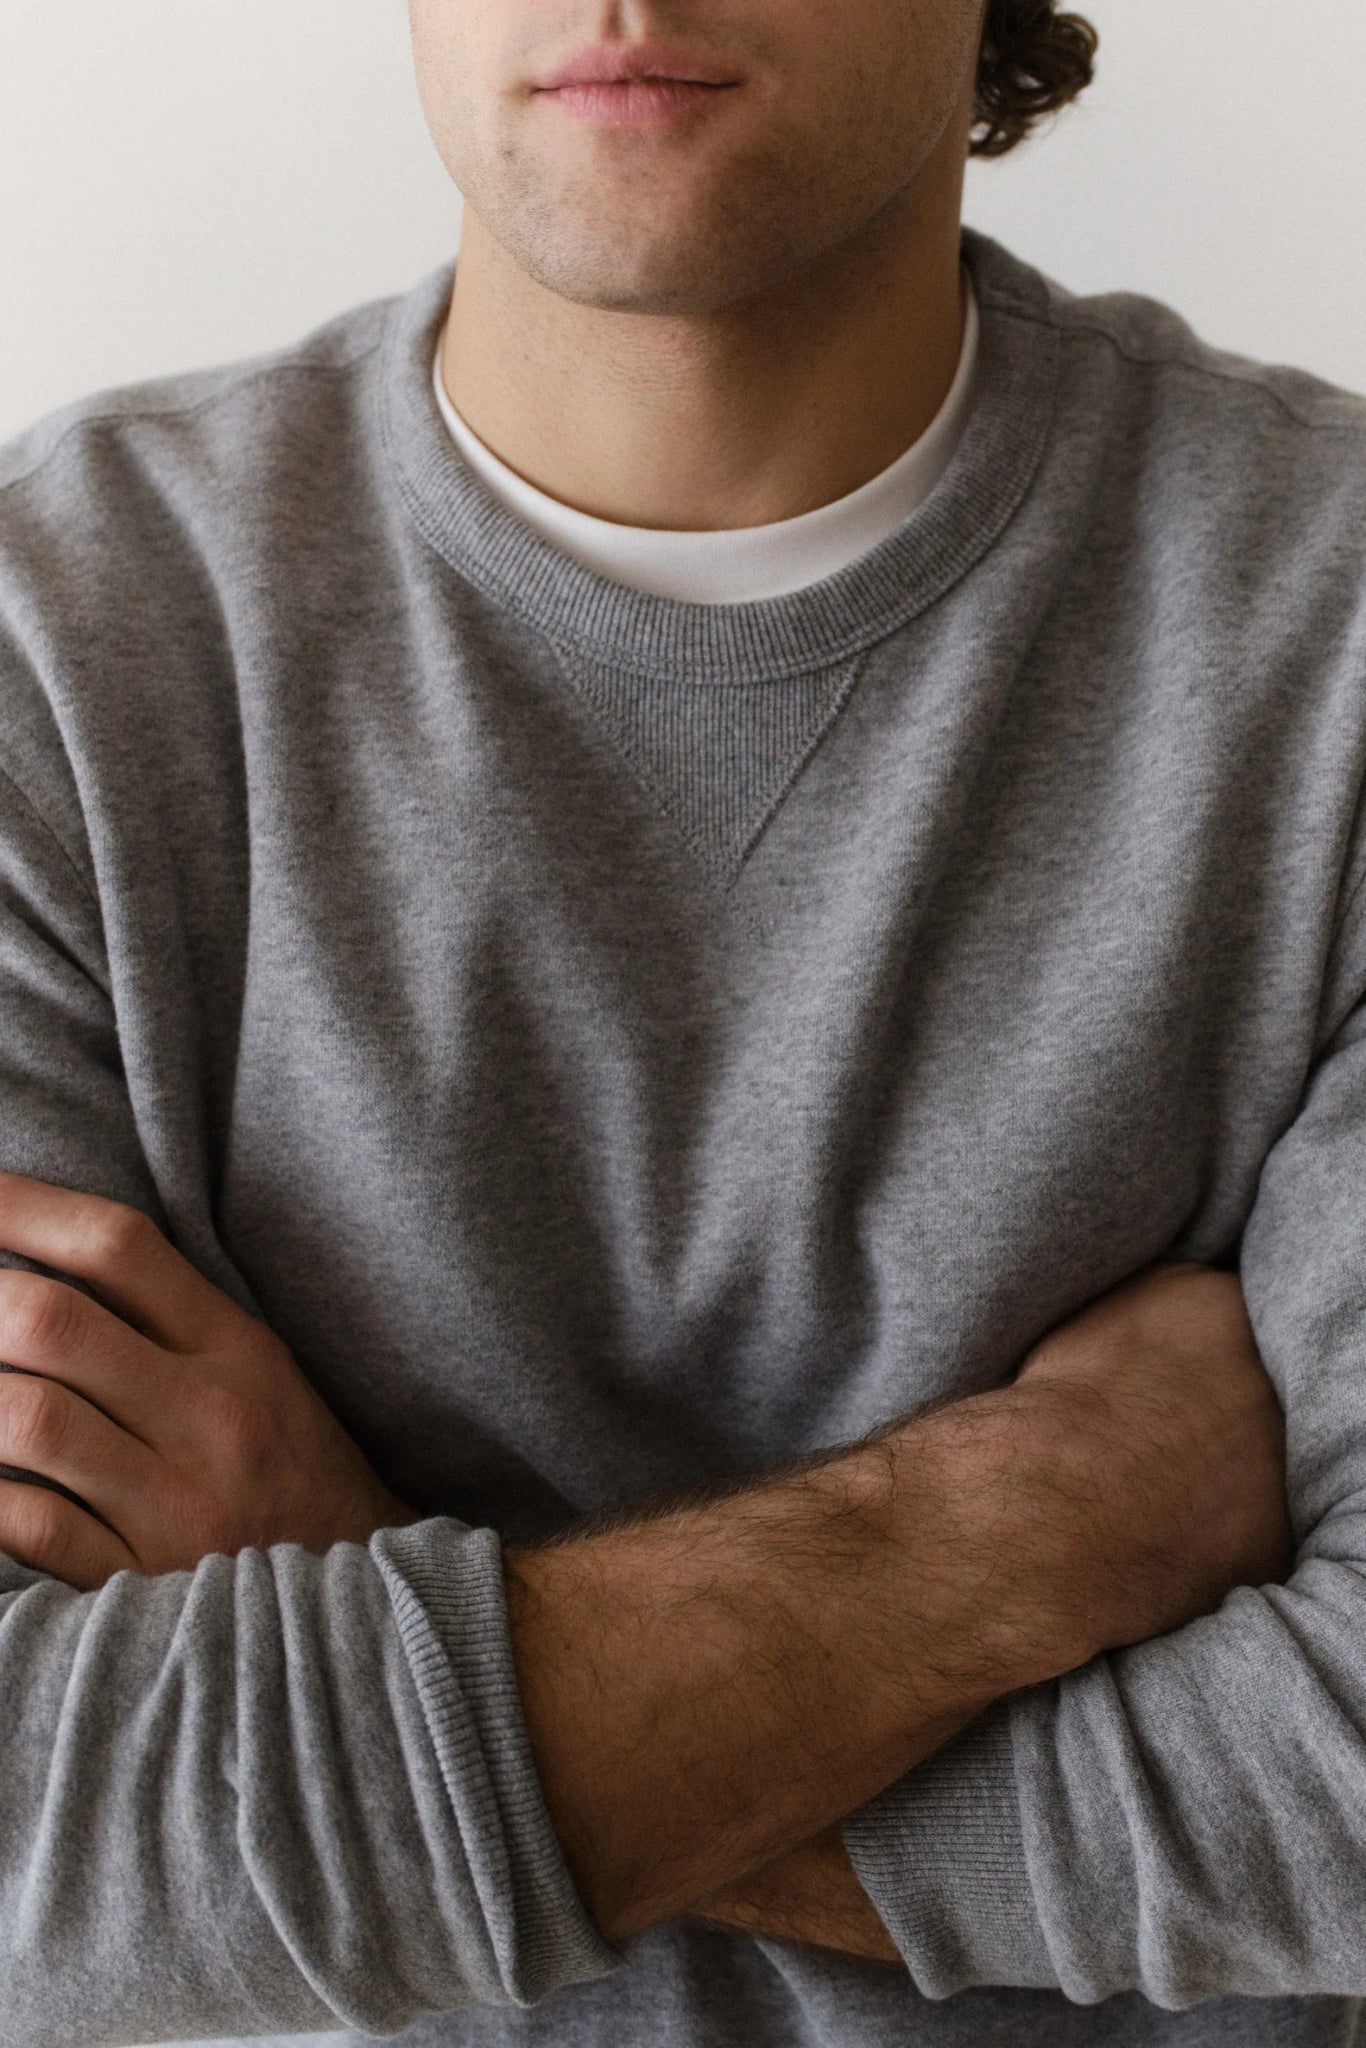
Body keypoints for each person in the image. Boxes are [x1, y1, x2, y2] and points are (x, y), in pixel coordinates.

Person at [0, 0, 1360, 2042]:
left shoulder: (1324, 628)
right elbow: (39, 1850)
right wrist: (1019, 1514)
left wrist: (355, 1593)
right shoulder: (58, 650)